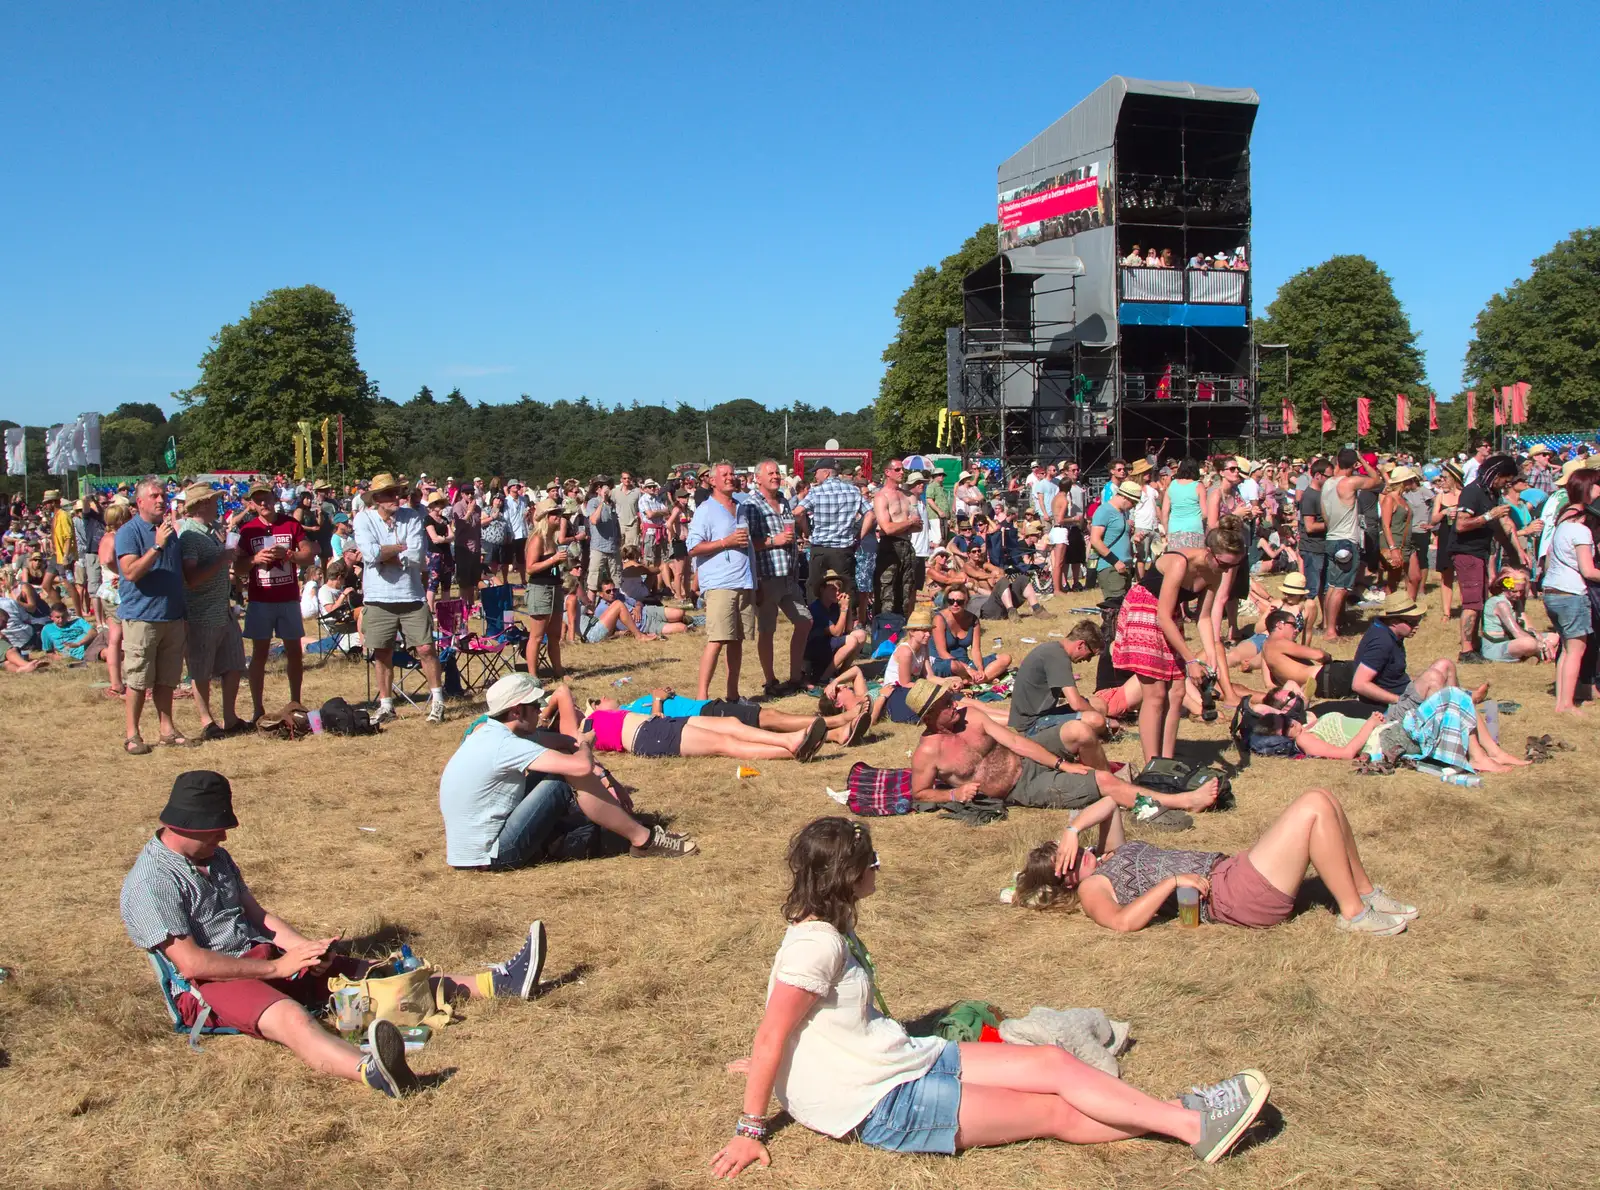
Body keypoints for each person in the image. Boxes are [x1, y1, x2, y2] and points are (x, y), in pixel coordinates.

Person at [710, 817, 1272, 1179]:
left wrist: (781, 1061)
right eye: (871, 861)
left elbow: (788, 1029)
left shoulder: (828, 928)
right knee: (1052, 1111)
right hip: (879, 1105)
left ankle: (1183, 1114)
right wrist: (750, 1126)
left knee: (1051, 1061)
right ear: (848, 874)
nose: (879, 868)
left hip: (898, 1056)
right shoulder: (814, 946)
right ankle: (1191, 1124)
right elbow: (772, 1031)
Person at [122, 770, 550, 1099]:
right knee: (292, 1019)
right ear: (187, 826)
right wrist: (276, 967)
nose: (225, 833)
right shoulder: (151, 882)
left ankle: (497, 983)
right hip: (209, 984)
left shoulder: (215, 856)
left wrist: (304, 950)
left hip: (260, 957)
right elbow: (192, 963)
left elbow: (258, 914)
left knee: (376, 974)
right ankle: (373, 1072)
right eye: (217, 828)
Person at [1017, 787, 1416, 935]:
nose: (1080, 854)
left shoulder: (1106, 855)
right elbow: (1122, 922)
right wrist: (1171, 884)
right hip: (1229, 896)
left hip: (1231, 872)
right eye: (1070, 861)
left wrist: (1072, 831)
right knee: (1312, 805)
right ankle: (1353, 914)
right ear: (1066, 881)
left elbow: (1111, 802)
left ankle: (1366, 895)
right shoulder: (1092, 888)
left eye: (1074, 850)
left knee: (1324, 798)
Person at [439, 674, 697, 865]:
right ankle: (643, 840)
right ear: (517, 711)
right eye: (535, 705)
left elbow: (563, 742)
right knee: (563, 779)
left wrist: (604, 772)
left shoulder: (493, 733)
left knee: (560, 769)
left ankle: (632, 829)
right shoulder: (506, 745)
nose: (542, 710)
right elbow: (581, 766)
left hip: (471, 852)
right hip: (492, 854)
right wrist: (586, 746)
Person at [908, 681, 1216, 818]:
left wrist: (1062, 765)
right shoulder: (927, 753)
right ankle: (1183, 801)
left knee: (1081, 730)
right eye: (947, 704)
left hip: (1026, 758)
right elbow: (919, 793)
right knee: (1104, 781)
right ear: (931, 716)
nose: (956, 704)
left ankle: (1112, 788)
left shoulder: (971, 717)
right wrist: (952, 795)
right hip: (1021, 786)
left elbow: (1017, 742)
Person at [1109, 519, 1246, 767]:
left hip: (1169, 617)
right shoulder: (1179, 562)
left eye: (1234, 565)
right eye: (1224, 563)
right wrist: (1191, 660)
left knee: (1178, 691)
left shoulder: (1214, 573)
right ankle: (1153, 765)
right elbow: (1162, 615)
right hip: (1145, 610)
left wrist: (1211, 655)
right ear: (1209, 552)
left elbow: (1203, 618)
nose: (1227, 570)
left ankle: (1168, 762)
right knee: (1155, 692)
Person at [355, 472, 447, 724]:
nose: (396, 497)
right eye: (389, 494)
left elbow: (416, 557)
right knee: (382, 652)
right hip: (377, 597)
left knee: (426, 648)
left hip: (412, 595)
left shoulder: (413, 517)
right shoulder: (363, 519)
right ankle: (386, 705)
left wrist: (385, 554)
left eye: (397, 492)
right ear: (376, 499)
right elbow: (370, 553)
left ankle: (437, 701)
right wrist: (396, 549)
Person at [553, 683, 829, 763]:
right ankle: (791, 747)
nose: (579, 706)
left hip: (658, 726)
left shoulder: (599, 718)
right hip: (649, 739)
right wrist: (544, 716)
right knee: (724, 744)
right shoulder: (577, 732)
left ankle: (792, 740)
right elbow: (562, 691)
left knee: (731, 723)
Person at [115, 477, 191, 754]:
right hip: (142, 617)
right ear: (140, 502)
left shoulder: (170, 531)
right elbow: (131, 572)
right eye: (155, 496)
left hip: (171, 616)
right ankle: (132, 734)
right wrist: (157, 546)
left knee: (167, 679)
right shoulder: (129, 532)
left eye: (163, 496)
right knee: (137, 679)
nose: (161, 500)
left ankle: (166, 729)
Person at [235, 480, 315, 723]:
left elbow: (308, 555)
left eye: (266, 498)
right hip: (260, 600)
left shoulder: (290, 524)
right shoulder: (248, 530)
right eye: (258, 500)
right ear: (252, 504)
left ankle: (295, 702)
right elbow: (237, 567)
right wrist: (254, 558)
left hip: (288, 598)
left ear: (274, 498)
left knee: (294, 652)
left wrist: (289, 554)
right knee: (259, 653)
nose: (263, 503)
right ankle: (257, 708)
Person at [178, 484, 247, 740]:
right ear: (203, 504)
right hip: (201, 612)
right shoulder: (189, 536)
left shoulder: (212, 530)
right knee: (201, 669)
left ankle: (230, 717)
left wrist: (228, 554)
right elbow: (191, 577)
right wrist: (221, 558)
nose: (218, 504)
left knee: (234, 663)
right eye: (214, 500)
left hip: (222, 608)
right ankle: (207, 720)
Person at [687, 461, 757, 702]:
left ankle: (733, 695)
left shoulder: (741, 507)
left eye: (732, 473)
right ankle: (701, 699)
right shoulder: (705, 510)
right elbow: (693, 547)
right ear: (712, 481)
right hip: (719, 584)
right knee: (717, 639)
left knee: (737, 640)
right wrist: (726, 542)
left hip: (744, 581)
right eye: (724, 474)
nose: (730, 477)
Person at [747, 458, 812, 696]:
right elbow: (747, 544)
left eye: (777, 473)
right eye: (771, 473)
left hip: (789, 576)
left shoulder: (784, 501)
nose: (776, 476)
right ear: (758, 478)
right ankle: (770, 680)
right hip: (766, 577)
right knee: (767, 630)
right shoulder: (752, 505)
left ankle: (796, 676)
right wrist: (774, 541)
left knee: (804, 621)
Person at [1453, 454, 1523, 663]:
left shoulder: (1490, 493)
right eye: (1505, 479)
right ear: (1496, 474)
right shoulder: (1471, 491)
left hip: (1481, 553)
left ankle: (1475, 646)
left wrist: (1514, 553)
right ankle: (1466, 652)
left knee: (1482, 601)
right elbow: (1460, 525)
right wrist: (1489, 515)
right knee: (1472, 604)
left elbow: (1497, 528)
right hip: (1467, 553)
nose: (1505, 485)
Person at [1543, 496, 1600, 714]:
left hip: (1552, 592)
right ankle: (1566, 704)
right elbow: (1588, 571)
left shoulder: (1564, 527)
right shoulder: (1582, 532)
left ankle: (1561, 700)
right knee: (1576, 649)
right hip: (1571, 594)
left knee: (1567, 649)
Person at [1320, 450, 1385, 640]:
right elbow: (1377, 480)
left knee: (1332, 586)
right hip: (1345, 540)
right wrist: (1364, 461)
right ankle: (1331, 631)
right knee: (1340, 588)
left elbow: (1325, 514)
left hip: (1331, 537)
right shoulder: (1349, 482)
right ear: (1354, 464)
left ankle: (1330, 625)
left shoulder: (1327, 484)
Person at [1006, 621, 1106, 736]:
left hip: (1041, 715)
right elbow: (1076, 704)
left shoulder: (1054, 650)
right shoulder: (1058, 658)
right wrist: (1105, 722)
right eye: (1090, 654)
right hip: (1032, 726)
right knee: (1096, 720)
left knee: (1098, 703)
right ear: (1081, 645)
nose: (1088, 660)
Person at [522, 497, 566, 678]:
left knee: (555, 635)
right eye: (554, 514)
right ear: (545, 517)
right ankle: (533, 676)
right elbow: (530, 567)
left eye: (559, 513)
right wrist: (553, 559)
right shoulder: (537, 539)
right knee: (537, 636)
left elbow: (550, 566)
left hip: (555, 587)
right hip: (540, 589)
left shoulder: (551, 539)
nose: (558, 517)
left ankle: (558, 671)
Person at [871, 459, 921, 617]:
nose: (902, 472)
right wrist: (909, 522)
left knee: (907, 589)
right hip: (889, 547)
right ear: (888, 472)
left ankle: (903, 625)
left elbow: (919, 525)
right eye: (898, 469)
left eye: (902, 469)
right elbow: (887, 528)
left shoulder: (909, 496)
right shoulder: (881, 497)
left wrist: (904, 524)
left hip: (907, 545)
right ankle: (884, 627)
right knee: (887, 591)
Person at [930, 583, 1010, 682]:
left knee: (1005, 658)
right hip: (944, 663)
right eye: (951, 601)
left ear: (966, 601)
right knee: (954, 666)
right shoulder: (939, 619)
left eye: (959, 602)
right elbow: (942, 653)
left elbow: (975, 650)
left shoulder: (973, 620)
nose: (955, 604)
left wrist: (980, 669)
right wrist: (968, 669)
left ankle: (971, 681)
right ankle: (977, 679)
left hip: (965, 664)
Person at [803, 569, 868, 682]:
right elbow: (836, 633)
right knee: (851, 640)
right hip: (815, 649)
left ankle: (842, 673)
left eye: (839, 589)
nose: (837, 592)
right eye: (833, 589)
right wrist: (843, 609)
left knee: (861, 635)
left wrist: (847, 606)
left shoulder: (833, 606)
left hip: (829, 643)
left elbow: (848, 629)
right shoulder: (816, 608)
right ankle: (823, 678)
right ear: (822, 589)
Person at [1481, 568, 1557, 664]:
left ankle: (1532, 655)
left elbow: (1529, 627)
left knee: (1553, 637)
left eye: (1521, 591)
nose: (1518, 594)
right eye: (1514, 591)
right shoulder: (1501, 604)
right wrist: (1542, 645)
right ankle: (1535, 653)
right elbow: (1517, 632)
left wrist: (1544, 640)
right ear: (1504, 588)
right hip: (1496, 646)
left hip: (1512, 640)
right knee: (1529, 643)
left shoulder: (1516, 602)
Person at [1088, 480, 1138, 605]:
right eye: (1134, 502)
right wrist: (1115, 561)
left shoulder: (1121, 513)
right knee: (1115, 608)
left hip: (1124, 566)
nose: (1134, 506)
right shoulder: (1104, 511)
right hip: (1110, 567)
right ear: (1125, 497)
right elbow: (1095, 540)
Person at [1430, 463, 1462, 621]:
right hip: (1445, 537)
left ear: (1454, 479)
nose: (1442, 481)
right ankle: (1446, 612)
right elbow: (1433, 519)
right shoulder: (1440, 496)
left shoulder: (1464, 495)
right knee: (1446, 575)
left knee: (1464, 575)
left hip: (1462, 537)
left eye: (1445, 478)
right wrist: (1443, 512)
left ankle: (1467, 607)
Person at [584, 475, 624, 593]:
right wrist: (602, 501)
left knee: (616, 578)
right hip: (599, 548)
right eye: (605, 486)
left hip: (613, 548)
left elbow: (615, 523)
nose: (608, 490)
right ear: (598, 489)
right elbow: (593, 520)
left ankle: (616, 604)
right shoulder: (593, 502)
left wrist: (619, 538)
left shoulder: (612, 504)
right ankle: (591, 609)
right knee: (594, 581)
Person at [38, 600, 109, 663]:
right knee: (106, 652)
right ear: (51, 617)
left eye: (63, 616)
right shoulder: (47, 630)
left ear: (67, 615)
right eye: (57, 617)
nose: (61, 620)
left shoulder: (77, 621)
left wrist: (78, 644)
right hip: (84, 652)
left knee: (107, 632)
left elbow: (93, 632)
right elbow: (49, 652)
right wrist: (62, 658)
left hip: (94, 641)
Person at [1160, 458, 1206, 550]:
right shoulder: (1199, 486)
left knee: (1177, 561)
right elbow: (1205, 513)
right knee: (1194, 562)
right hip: (1194, 530)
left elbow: (1164, 512)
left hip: (1175, 530)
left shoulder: (1172, 485)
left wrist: (1167, 531)